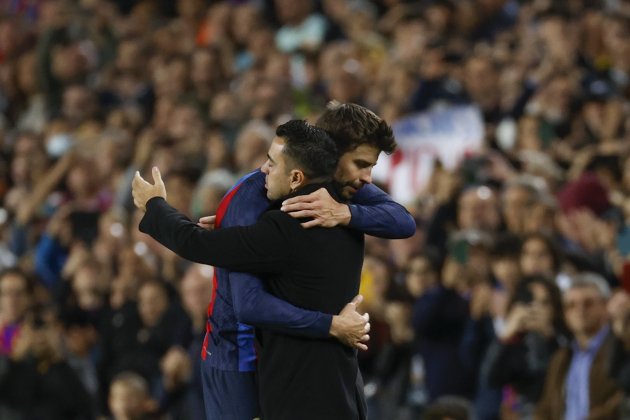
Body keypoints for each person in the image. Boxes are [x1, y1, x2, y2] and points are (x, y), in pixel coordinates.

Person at [132, 119, 407, 419]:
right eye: (362, 164)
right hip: (343, 390)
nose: (263, 170)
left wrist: (155, 206)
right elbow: (400, 220)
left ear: (296, 177)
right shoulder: (351, 216)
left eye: (271, 164)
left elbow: (239, 294)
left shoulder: (284, 225)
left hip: (282, 387)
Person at [534, 273, 624, 419]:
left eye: (588, 303)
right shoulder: (561, 358)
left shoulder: (623, 348)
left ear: (606, 305)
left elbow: (622, 400)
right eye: (571, 305)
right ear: (565, 313)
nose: (580, 310)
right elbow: (546, 408)